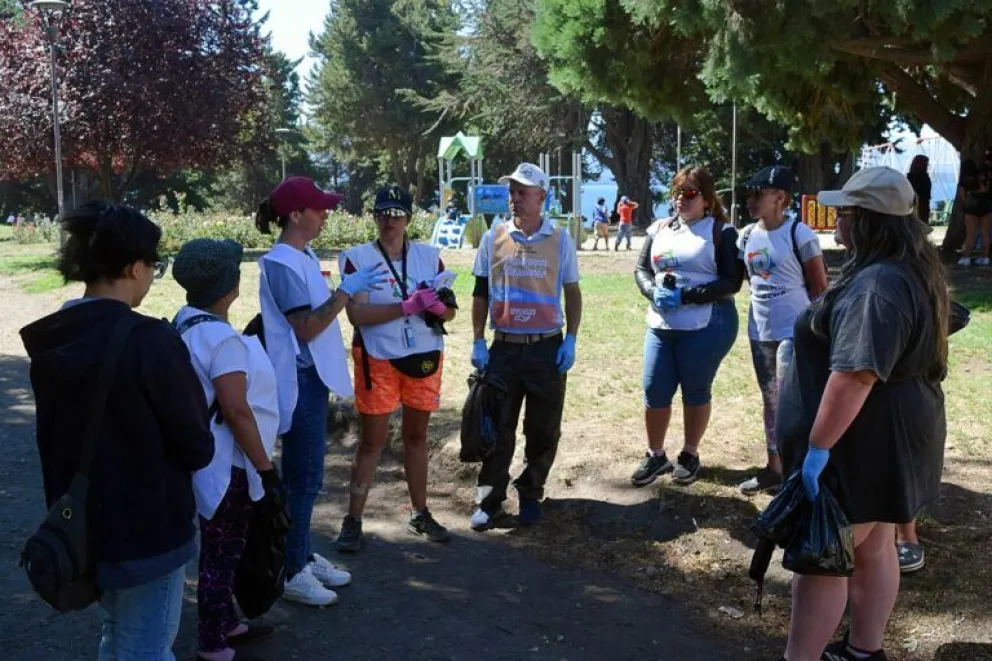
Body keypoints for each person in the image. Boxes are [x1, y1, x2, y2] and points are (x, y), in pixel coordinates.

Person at [20, 202, 214, 661]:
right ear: (133, 267)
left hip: (83, 526)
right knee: (145, 648)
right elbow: (195, 444)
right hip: (148, 530)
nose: (151, 276)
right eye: (153, 265)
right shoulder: (150, 341)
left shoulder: (55, 336)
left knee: (118, 634)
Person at [776, 166, 948, 661]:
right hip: (894, 438)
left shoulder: (877, 284)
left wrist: (817, 449)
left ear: (868, 221)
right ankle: (863, 651)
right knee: (875, 545)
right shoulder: (912, 268)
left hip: (862, 445)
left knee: (824, 561)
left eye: (844, 213)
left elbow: (856, 374)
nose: (836, 221)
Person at [256, 177, 387, 606]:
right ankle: (291, 569)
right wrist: (346, 293)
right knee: (303, 479)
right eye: (319, 207)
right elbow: (307, 326)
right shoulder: (281, 262)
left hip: (312, 377)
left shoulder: (303, 254)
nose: (326, 213)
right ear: (295, 215)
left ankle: (299, 554)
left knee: (306, 476)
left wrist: (342, 291)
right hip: (299, 379)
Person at [172, 239, 285, 661]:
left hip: (198, 459)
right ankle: (211, 640)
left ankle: (226, 619)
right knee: (222, 552)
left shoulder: (184, 321)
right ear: (230, 286)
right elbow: (237, 409)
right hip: (227, 466)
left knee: (222, 546)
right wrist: (266, 469)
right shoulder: (223, 341)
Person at [333, 186, 455, 551]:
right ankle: (353, 520)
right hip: (378, 358)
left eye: (397, 213)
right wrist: (407, 306)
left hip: (423, 358)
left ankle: (420, 512)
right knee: (373, 441)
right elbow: (357, 315)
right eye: (383, 213)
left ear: (408, 218)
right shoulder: (356, 258)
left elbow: (449, 311)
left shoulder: (429, 257)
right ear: (374, 217)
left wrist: (435, 308)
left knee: (416, 438)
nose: (390, 220)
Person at [470, 162, 582, 530]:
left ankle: (531, 491)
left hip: (545, 349)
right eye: (511, 192)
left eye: (522, 192)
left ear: (541, 197)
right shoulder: (494, 237)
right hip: (503, 348)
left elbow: (572, 291)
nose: (514, 199)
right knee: (497, 428)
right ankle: (489, 499)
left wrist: (571, 338)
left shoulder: (560, 240)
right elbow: (480, 291)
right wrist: (477, 340)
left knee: (543, 428)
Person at [630, 166, 742, 487]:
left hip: (704, 325)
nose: (681, 199)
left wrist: (688, 295)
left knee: (695, 390)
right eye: (676, 193)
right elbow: (641, 270)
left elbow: (732, 282)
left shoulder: (721, 231)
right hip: (661, 323)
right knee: (654, 389)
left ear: (706, 199)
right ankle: (655, 456)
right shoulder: (659, 229)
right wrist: (653, 292)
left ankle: (690, 454)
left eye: (689, 193)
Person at [736, 166, 829, 496]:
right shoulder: (746, 235)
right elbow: (748, 280)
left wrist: (820, 336)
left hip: (795, 331)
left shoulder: (800, 234)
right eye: (749, 193)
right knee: (770, 399)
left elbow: (820, 288)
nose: (751, 199)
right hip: (759, 331)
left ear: (780, 198)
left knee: (795, 402)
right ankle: (774, 469)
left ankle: (798, 472)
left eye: (758, 193)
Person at [957, 155, 991, 266]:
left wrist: (967, 205)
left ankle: (966, 258)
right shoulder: (983, 176)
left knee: (970, 234)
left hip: (973, 203)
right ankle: (985, 258)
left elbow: (963, 196)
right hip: (986, 202)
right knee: (985, 233)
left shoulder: (965, 180)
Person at [906, 155, 932, 226]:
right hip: (921, 207)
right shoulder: (924, 178)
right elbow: (926, 196)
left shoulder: (909, 178)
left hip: (911, 208)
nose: (927, 166)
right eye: (926, 164)